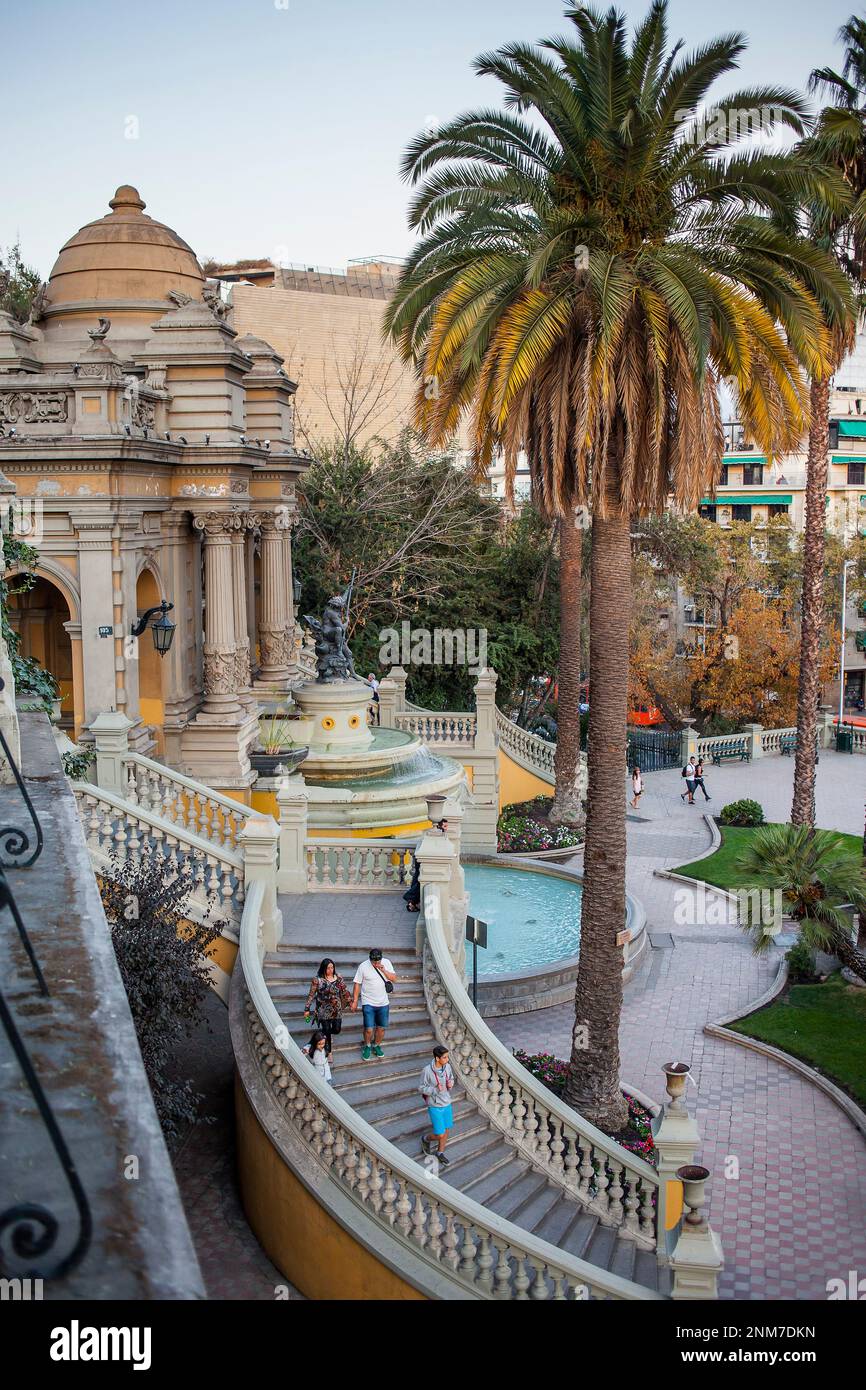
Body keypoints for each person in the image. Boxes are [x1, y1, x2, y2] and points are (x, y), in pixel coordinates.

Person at [351, 947, 396, 1061]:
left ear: (381, 958)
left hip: (383, 1002)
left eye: (378, 961)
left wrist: (384, 970)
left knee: (381, 1028)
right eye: (374, 961)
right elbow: (357, 984)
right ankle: (367, 1046)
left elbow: (394, 978)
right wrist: (355, 1001)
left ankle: (376, 1045)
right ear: (369, 959)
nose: (376, 963)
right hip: (368, 1002)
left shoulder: (386, 963)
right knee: (369, 1029)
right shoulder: (363, 966)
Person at [304, 958, 352, 1057]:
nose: (331, 970)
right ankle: (329, 1052)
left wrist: (350, 1002)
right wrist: (307, 1009)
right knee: (326, 1029)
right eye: (328, 968)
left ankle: (323, 1034)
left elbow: (344, 991)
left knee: (337, 1029)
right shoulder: (317, 980)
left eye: (332, 967)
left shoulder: (338, 977)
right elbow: (311, 995)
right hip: (322, 1009)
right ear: (323, 969)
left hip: (336, 1009)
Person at [420, 1045, 455, 1166]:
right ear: (437, 1058)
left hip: (447, 1103)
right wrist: (434, 1090)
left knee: (446, 1130)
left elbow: (451, 1078)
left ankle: (440, 1153)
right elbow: (421, 1088)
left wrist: (451, 1083)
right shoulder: (427, 1071)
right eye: (444, 1057)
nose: (447, 1060)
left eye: (447, 1057)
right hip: (435, 1105)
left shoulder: (448, 1067)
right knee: (439, 1134)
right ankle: (425, 1139)